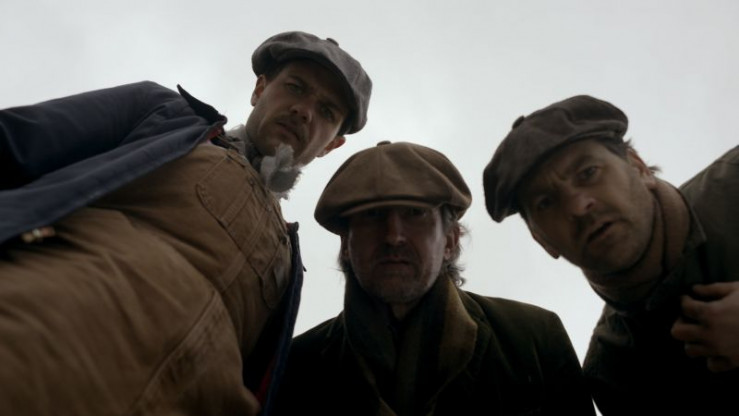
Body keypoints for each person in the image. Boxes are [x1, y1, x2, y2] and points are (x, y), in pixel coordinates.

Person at [0, 31, 371, 416]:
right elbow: (15, 139)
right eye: (295, 87)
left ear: (332, 145)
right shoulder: (166, 117)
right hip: (36, 340)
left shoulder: (289, 264)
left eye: (327, 112)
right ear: (260, 89)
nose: (304, 111)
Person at [275, 141, 595, 415]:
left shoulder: (534, 340)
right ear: (346, 244)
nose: (393, 236)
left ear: (451, 241)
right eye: (373, 215)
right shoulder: (298, 366)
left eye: (415, 214)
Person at [483, 95, 739, 415]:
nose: (578, 207)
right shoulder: (614, 373)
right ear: (542, 240)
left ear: (638, 167)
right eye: (546, 202)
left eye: (588, 172)